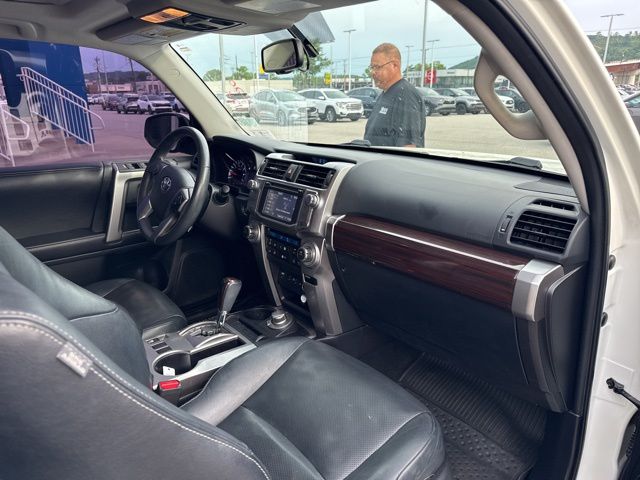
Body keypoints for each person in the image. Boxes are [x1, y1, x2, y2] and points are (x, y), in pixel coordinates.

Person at [364, 43, 426, 148]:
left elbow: (409, 147)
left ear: (395, 65)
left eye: (377, 67)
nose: (373, 72)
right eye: (372, 67)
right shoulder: (384, 94)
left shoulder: (406, 96)